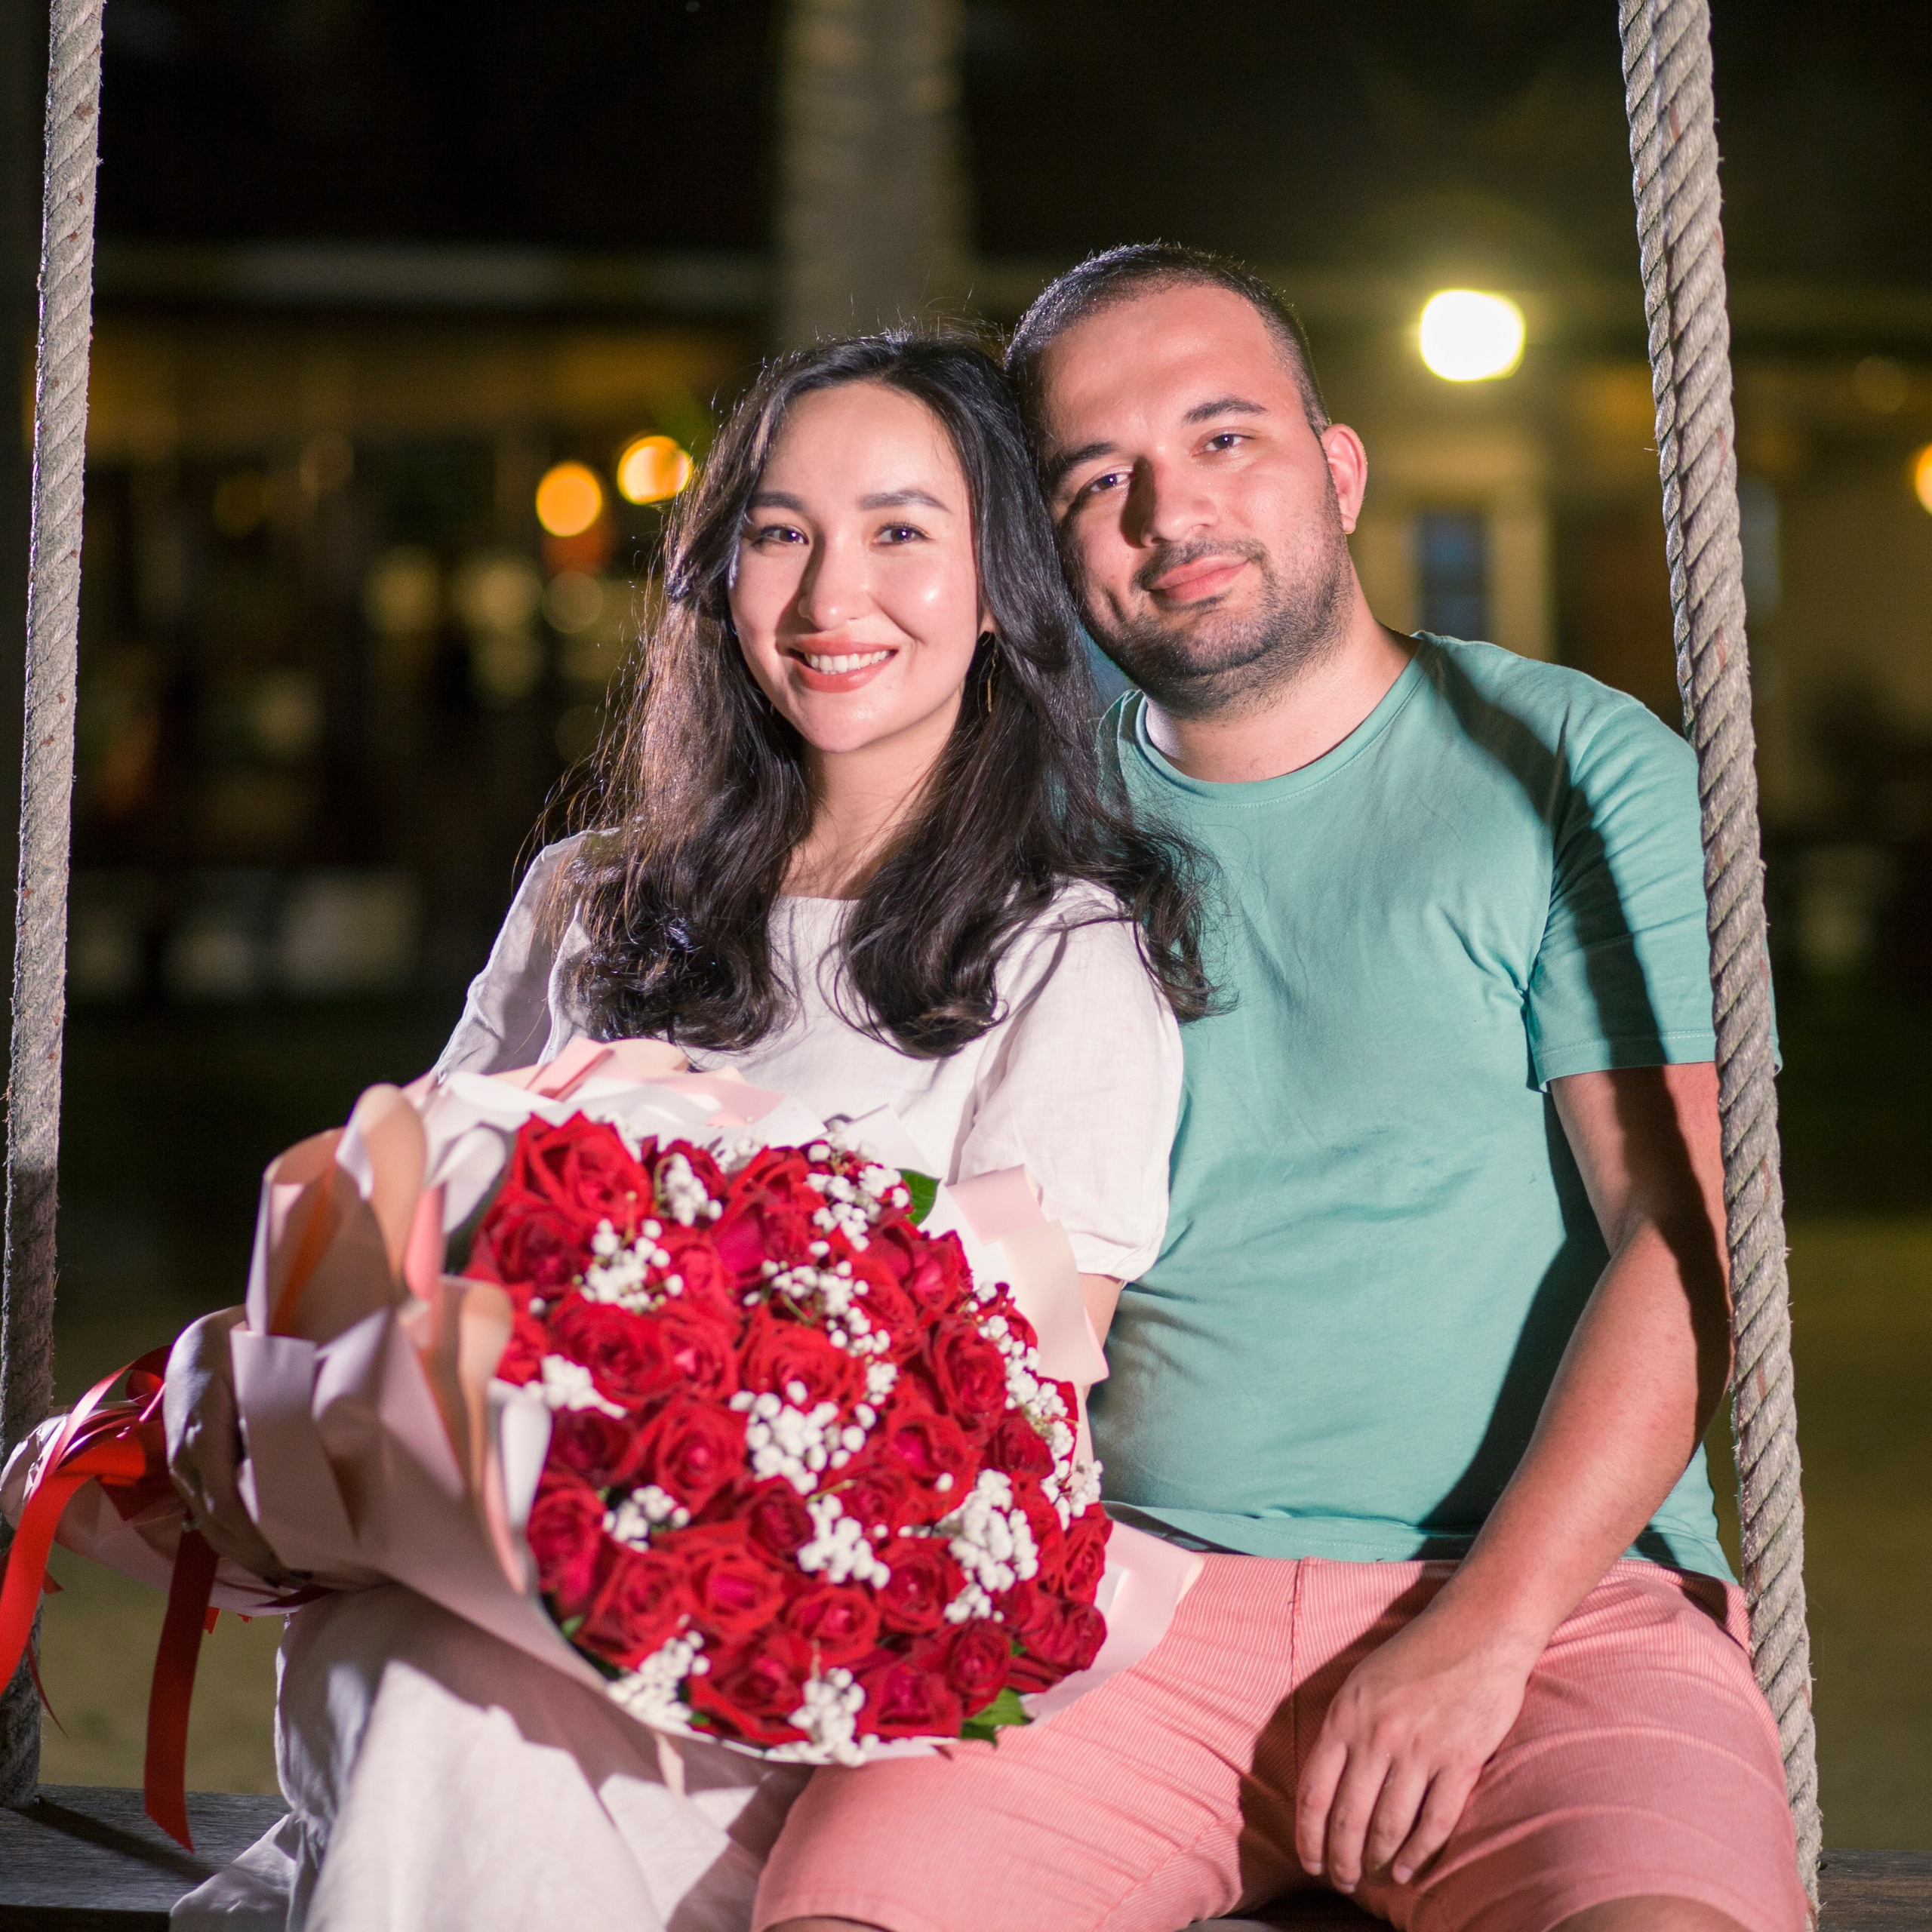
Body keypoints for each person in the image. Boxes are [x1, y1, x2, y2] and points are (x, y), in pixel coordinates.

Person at [752, 247, 1808, 1932]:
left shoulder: (1567, 765)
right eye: (1098, 479)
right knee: (836, 1911)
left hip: (1550, 1603)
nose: (1170, 511)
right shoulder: (1013, 809)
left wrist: (1482, 1631)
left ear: (1335, 466)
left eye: (1223, 439)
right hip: (1128, 1598)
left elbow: (1678, 1249)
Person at [165, 331, 1208, 1932]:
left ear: (1001, 584)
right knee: (418, 1672)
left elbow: (1020, 1383)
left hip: (782, 1634)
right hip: (472, 1574)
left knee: (443, 1707)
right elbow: (407, 1233)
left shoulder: (1063, 949)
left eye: (900, 531)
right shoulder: (591, 896)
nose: (825, 596)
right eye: (779, 531)